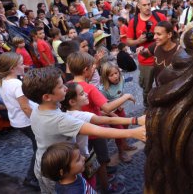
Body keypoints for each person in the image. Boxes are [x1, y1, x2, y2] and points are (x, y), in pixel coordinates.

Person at [22, 66, 146, 193]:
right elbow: (98, 130)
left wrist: (134, 121)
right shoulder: (59, 120)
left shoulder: (40, 109)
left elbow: (99, 119)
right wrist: (133, 132)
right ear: (47, 97)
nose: (65, 87)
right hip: (58, 171)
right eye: (60, 87)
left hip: (45, 164)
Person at [68, 52, 137, 191]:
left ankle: (97, 179)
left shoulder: (68, 84)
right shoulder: (90, 88)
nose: (95, 69)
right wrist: (127, 96)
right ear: (85, 70)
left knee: (88, 159)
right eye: (92, 66)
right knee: (102, 160)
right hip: (95, 132)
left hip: (80, 132)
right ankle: (106, 187)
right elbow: (107, 106)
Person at [0, 53, 39, 190]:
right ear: (12, 68)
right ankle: (31, 177)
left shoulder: (3, 81)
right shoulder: (16, 84)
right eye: (21, 64)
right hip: (27, 121)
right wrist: (38, 121)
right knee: (39, 147)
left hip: (18, 120)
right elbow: (25, 106)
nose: (24, 65)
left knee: (38, 146)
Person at [126, 0, 166, 107]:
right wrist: (138, 41)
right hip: (145, 61)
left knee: (164, 85)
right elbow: (128, 41)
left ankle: (163, 106)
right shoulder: (134, 22)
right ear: (138, 6)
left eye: (149, 4)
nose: (148, 7)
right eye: (144, 5)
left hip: (162, 58)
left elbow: (169, 31)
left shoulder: (159, 17)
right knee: (147, 88)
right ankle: (148, 108)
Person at [100, 61, 138, 155]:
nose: (115, 76)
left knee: (125, 125)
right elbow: (103, 108)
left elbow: (120, 93)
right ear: (106, 77)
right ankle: (121, 152)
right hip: (110, 113)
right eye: (111, 75)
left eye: (116, 73)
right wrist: (113, 114)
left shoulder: (121, 79)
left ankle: (124, 144)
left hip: (119, 110)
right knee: (119, 132)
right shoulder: (104, 90)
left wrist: (120, 102)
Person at [137, 21, 179, 85]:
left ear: (169, 35)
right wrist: (141, 51)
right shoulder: (156, 45)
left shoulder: (179, 50)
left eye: (158, 34)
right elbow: (147, 54)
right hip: (159, 88)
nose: (154, 37)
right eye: (155, 34)